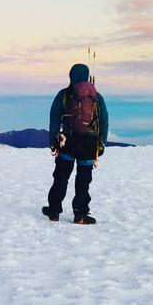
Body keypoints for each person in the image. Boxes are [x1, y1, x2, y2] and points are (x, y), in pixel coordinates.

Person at [42, 63, 108, 224]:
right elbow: (104, 121)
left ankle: (54, 211)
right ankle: (80, 214)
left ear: (71, 76)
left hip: (69, 142)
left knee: (61, 177)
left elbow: (54, 119)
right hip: (89, 143)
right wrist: (101, 144)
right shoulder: (96, 97)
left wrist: (54, 142)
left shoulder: (64, 95)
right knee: (84, 180)